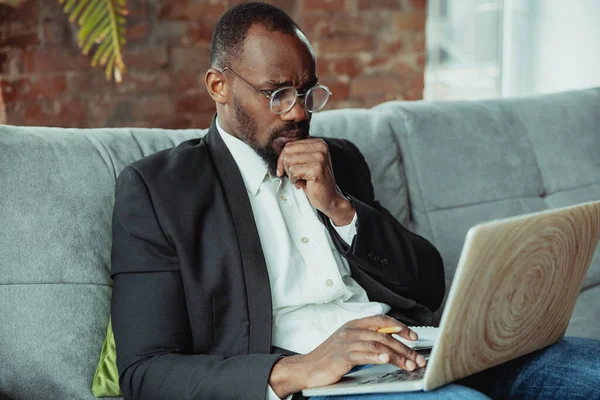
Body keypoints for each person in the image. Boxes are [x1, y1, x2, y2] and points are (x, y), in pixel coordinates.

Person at [110, 2, 600, 400]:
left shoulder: (339, 161)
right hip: (319, 383)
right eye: (276, 94)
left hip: (410, 350)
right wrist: (298, 369)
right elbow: (144, 372)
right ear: (219, 86)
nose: (298, 113)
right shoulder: (160, 190)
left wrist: (341, 208)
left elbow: (427, 286)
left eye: (307, 92)